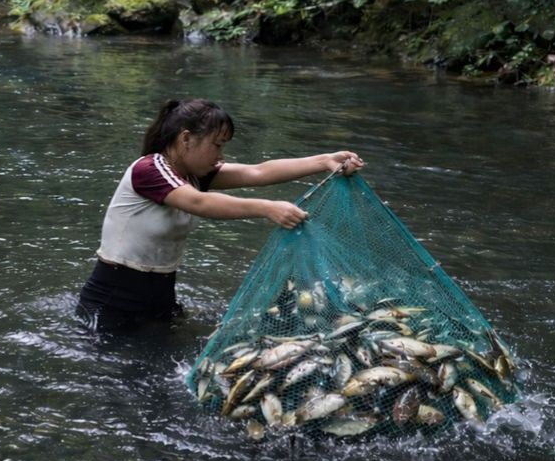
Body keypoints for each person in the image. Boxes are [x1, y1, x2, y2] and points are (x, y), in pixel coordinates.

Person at [76, 98, 364, 332]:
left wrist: (324, 160)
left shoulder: (192, 173)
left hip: (161, 293)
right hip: (114, 298)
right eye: (217, 144)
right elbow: (199, 204)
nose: (220, 155)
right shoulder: (150, 170)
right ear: (186, 139)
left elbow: (259, 171)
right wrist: (266, 208)